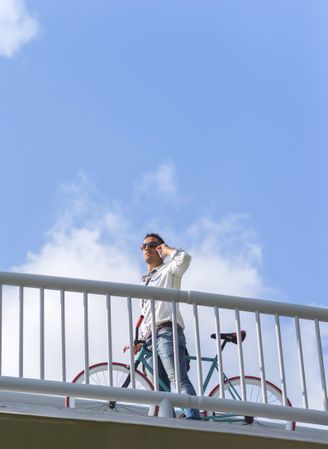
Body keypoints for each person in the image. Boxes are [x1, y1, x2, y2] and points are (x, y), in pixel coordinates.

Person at [139, 232, 200, 420]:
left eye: (152, 245)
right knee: (158, 388)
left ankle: (193, 420)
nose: (147, 248)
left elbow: (185, 259)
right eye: (143, 246)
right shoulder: (145, 281)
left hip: (167, 331)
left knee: (177, 379)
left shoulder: (169, 270)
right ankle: (171, 422)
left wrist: (167, 250)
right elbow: (145, 315)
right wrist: (140, 339)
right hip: (149, 338)